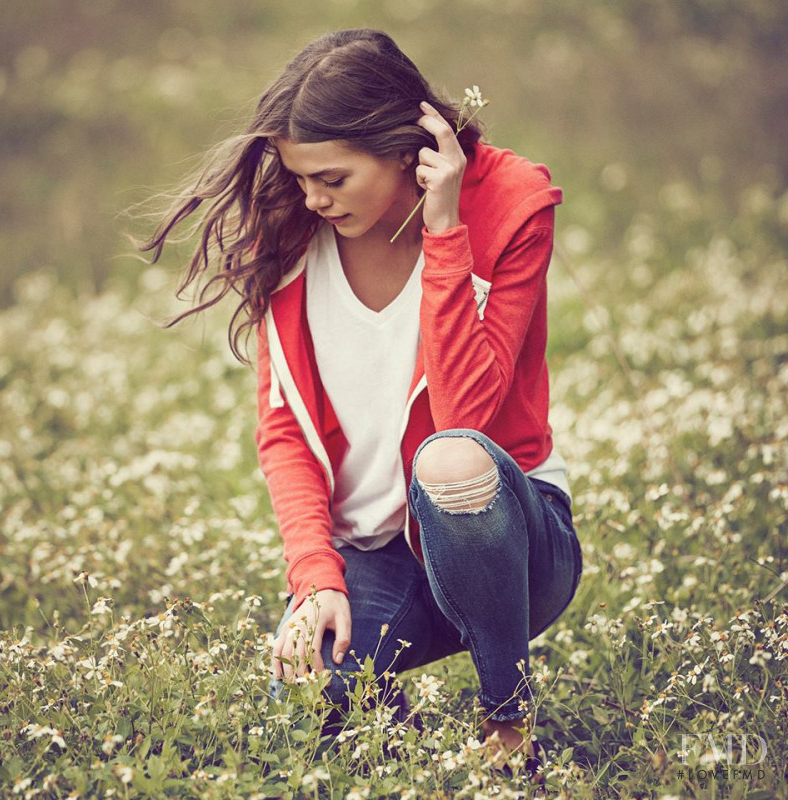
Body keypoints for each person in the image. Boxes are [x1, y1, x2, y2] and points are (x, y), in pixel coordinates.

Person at [140, 28, 582, 783]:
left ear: (406, 150)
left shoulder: (508, 205)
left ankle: (507, 717)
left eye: (333, 178)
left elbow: (465, 415)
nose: (313, 196)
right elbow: (283, 432)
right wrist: (316, 576)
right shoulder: (290, 235)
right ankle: (391, 717)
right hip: (379, 551)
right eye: (301, 177)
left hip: (509, 540)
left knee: (449, 464)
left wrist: (445, 231)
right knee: (302, 696)